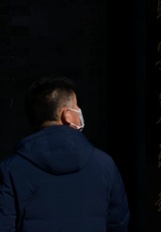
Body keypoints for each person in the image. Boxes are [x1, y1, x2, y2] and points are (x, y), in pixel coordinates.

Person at [0, 75, 130, 232]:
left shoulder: (10, 169)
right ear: (67, 114)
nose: (80, 111)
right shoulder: (105, 164)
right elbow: (118, 224)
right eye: (77, 106)